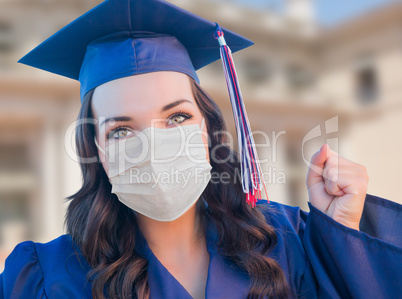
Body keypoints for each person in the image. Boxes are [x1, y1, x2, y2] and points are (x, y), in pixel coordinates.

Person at [1, 0, 401, 298]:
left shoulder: (286, 241)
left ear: (209, 129)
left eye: (176, 117)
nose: (154, 145)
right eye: (121, 130)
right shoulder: (47, 277)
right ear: (98, 153)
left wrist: (341, 236)